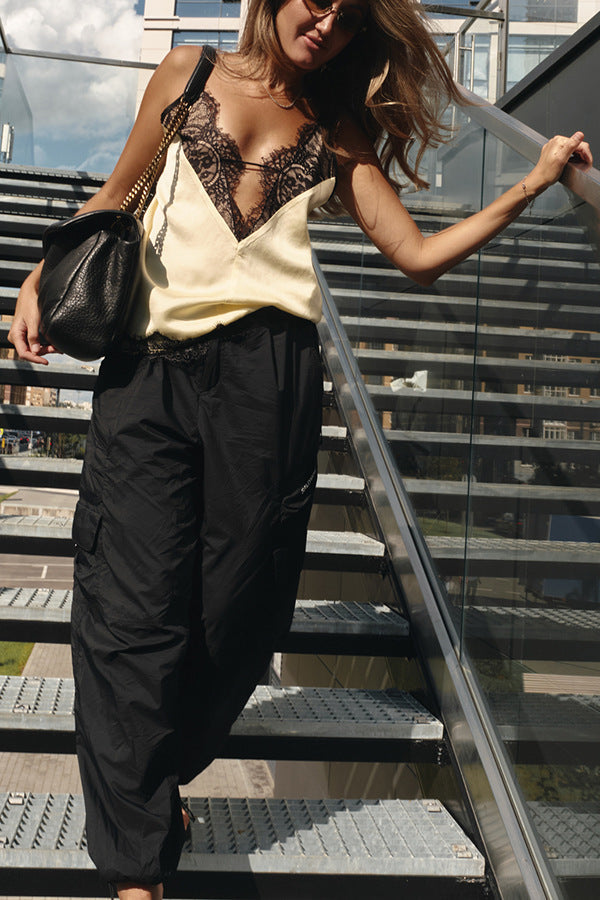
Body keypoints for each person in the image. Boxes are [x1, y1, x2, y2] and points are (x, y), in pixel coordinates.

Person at [9, 0, 592, 897]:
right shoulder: (187, 73)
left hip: (267, 380)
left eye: (348, 16)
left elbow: (419, 257)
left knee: (243, 610)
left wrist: (530, 182)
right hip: (149, 374)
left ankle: (153, 779)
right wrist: (40, 276)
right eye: (313, 1)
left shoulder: (339, 128)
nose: (324, 21)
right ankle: (136, 867)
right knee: (129, 612)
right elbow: (117, 192)